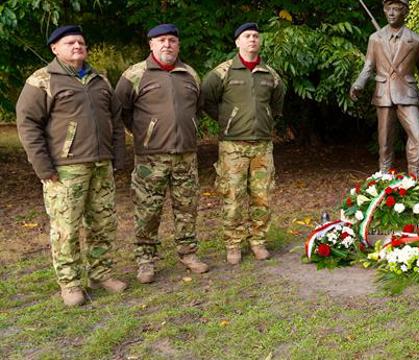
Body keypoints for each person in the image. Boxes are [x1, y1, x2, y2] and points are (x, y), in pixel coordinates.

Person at [16, 25, 127, 306]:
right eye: (69, 43)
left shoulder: (100, 79)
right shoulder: (42, 80)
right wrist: (43, 167)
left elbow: (114, 120)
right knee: (66, 228)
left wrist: (118, 156)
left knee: (103, 223)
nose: (77, 46)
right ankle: (70, 283)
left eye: (80, 42)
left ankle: (101, 274)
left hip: (101, 165)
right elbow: (28, 126)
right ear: (55, 48)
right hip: (65, 170)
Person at [115, 24, 209, 284]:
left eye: (172, 40)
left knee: (187, 207)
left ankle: (188, 253)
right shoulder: (135, 74)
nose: (167, 45)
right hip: (150, 158)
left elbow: (196, 108)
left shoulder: (190, 74)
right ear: (151, 45)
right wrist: (144, 133)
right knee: (148, 210)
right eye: (161, 40)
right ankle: (145, 260)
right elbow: (120, 110)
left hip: (186, 156)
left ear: (178, 45)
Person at [201, 22, 286, 265]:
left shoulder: (270, 75)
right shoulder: (222, 72)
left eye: (256, 36)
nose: (252, 40)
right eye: (247, 36)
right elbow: (206, 99)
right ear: (237, 42)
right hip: (233, 146)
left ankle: (258, 241)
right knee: (233, 195)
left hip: (262, 145)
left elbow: (277, 105)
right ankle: (233, 244)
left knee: (262, 195)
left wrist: (266, 120)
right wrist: (227, 119)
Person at [350, 0, 419, 177]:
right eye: (389, 10)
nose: (392, 13)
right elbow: (369, 66)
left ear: (405, 13)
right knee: (385, 142)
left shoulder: (416, 40)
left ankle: (415, 180)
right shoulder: (375, 38)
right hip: (384, 94)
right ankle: (385, 178)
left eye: (396, 9)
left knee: (418, 136)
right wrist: (358, 84)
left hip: (407, 94)